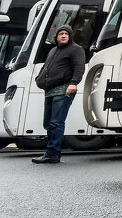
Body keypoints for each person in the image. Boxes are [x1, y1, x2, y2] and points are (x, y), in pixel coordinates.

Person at [32, 25, 86, 164]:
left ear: (70, 36)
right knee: (48, 123)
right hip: (49, 91)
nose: (63, 36)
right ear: (56, 37)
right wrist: (39, 79)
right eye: (60, 34)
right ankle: (51, 152)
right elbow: (46, 67)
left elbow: (79, 67)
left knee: (56, 122)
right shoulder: (53, 50)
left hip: (64, 90)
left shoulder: (76, 49)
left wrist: (73, 83)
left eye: (66, 34)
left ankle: (53, 153)